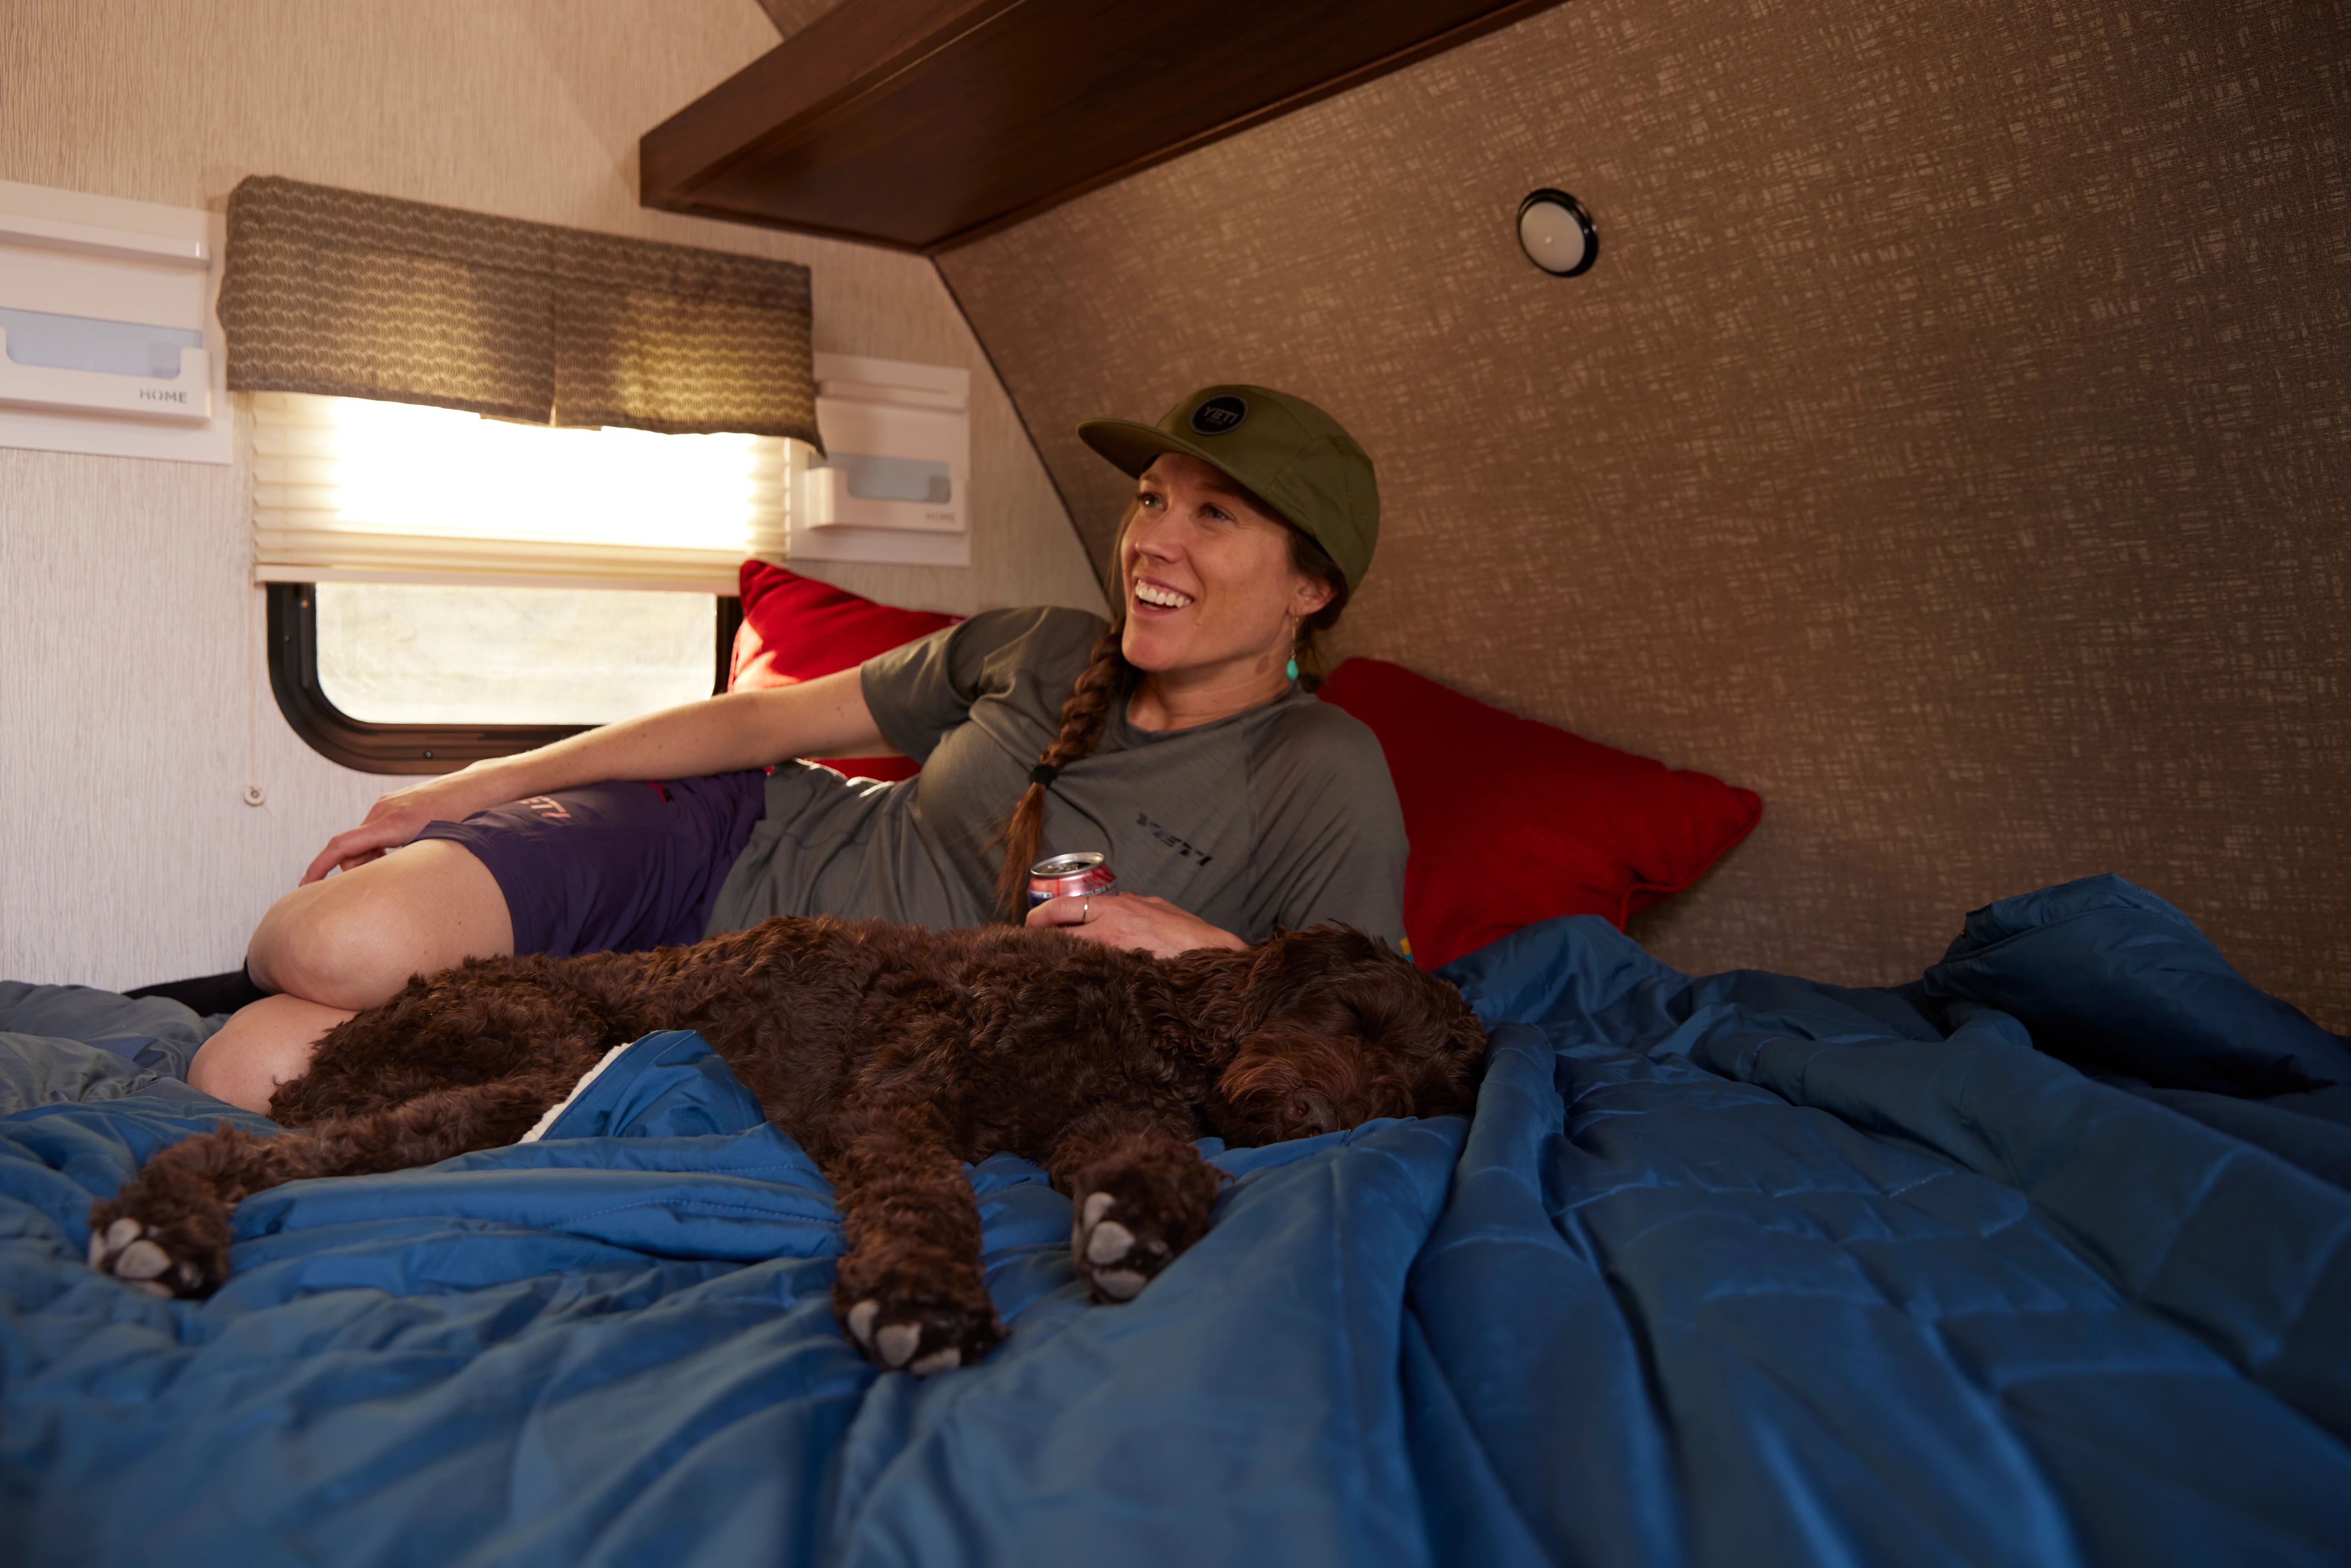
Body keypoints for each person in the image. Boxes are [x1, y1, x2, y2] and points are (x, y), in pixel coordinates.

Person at [189, 384, 1409, 1113]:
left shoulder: (1321, 769)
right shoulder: (1038, 648)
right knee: (316, 941)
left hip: (785, 1024)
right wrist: (470, 787)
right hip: (717, 849)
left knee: (249, 1068)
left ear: (1312, 585)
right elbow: (761, 722)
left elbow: (1380, 1024)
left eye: (1214, 514)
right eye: (1150, 497)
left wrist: (1204, 954)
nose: (1154, 539)